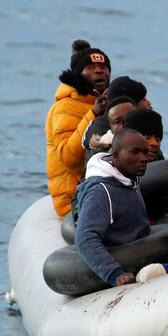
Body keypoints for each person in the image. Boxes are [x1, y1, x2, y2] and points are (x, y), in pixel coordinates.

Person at [74, 129, 152, 287]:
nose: (143, 158)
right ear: (116, 156)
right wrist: (115, 274)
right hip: (118, 260)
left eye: (145, 152)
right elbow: (85, 239)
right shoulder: (100, 192)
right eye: (135, 152)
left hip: (138, 249)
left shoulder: (128, 179)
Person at [46, 39, 111, 218]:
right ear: (78, 74)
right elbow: (69, 157)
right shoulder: (64, 107)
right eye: (90, 67)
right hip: (73, 198)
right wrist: (93, 115)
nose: (99, 70)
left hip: (100, 189)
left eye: (103, 67)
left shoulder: (110, 104)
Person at [82, 76, 152, 161]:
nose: (149, 103)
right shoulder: (104, 134)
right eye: (143, 99)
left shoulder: (143, 128)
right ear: (129, 105)